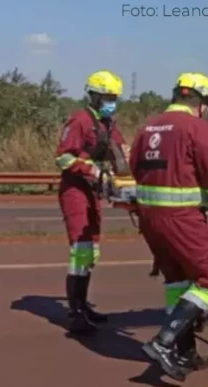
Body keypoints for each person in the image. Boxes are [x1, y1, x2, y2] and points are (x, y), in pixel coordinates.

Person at [130, 72, 208, 382]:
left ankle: (184, 350)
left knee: (177, 282)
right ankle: (164, 343)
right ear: (202, 103)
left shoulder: (148, 127)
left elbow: (135, 167)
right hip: (180, 217)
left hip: (150, 216)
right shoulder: (198, 128)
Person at [55, 70, 130, 335]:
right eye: (108, 97)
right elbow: (63, 157)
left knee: (91, 251)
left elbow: (122, 153)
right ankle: (75, 312)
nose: (112, 102)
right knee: (81, 249)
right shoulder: (80, 121)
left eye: (115, 97)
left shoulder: (108, 124)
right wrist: (93, 171)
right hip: (76, 189)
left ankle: (83, 306)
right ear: (95, 96)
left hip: (93, 191)